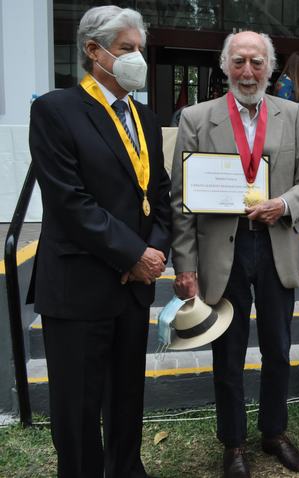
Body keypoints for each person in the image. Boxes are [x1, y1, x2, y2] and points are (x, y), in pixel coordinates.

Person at [28, 6, 171, 477]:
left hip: (132, 287)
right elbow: (70, 201)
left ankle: (127, 468)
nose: (137, 59)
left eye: (140, 49)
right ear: (94, 51)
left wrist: (155, 250)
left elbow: (159, 193)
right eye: (127, 49)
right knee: (79, 406)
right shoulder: (56, 111)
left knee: (127, 395)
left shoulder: (145, 117)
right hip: (80, 283)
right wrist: (133, 254)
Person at [171, 31, 299, 477]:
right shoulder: (196, 118)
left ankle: (274, 432)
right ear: (225, 66)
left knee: (279, 348)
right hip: (224, 250)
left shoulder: (292, 115)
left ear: (270, 68)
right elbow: (182, 200)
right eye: (239, 61)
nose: (248, 71)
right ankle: (233, 442)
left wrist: (284, 205)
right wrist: (185, 266)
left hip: (275, 244)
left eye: (257, 62)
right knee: (228, 352)